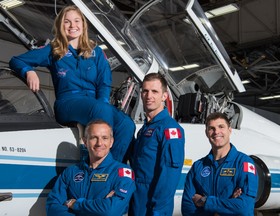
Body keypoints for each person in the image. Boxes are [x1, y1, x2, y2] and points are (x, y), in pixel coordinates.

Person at [9, 5, 134, 162]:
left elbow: (104, 82)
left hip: (94, 104)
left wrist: (102, 106)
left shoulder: (95, 52)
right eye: (67, 22)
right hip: (67, 103)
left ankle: (110, 170)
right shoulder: (53, 50)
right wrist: (28, 71)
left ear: (83, 24)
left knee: (127, 125)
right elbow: (17, 60)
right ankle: (101, 167)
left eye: (76, 21)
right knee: (101, 109)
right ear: (61, 26)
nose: (73, 26)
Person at [46, 120, 135, 216]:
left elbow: (111, 210)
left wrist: (76, 204)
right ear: (85, 142)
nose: (99, 143)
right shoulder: (70, 172)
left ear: (111, 142)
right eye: (94, 138)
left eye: (104, 138)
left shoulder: (122, 173)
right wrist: (100, 206)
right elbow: (52, 208)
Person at [129, 73, 185, 216]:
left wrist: (158, 210)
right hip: (137, 200)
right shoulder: (145, 129)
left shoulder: (170, 129)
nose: (149, 96)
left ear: (164, 96)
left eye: (155, 91)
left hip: (153, 204)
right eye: (145, 91)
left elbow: (169, 175)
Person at [181, 112, 258, 216]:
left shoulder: (244, 163)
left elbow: (244, 207)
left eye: (221, 127)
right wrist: (228, 205)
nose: (216, 132)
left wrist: (205, 201)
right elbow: (187, 208)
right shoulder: (198, 166)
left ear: (229, 130)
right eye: (211, 128)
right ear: (206, 133)